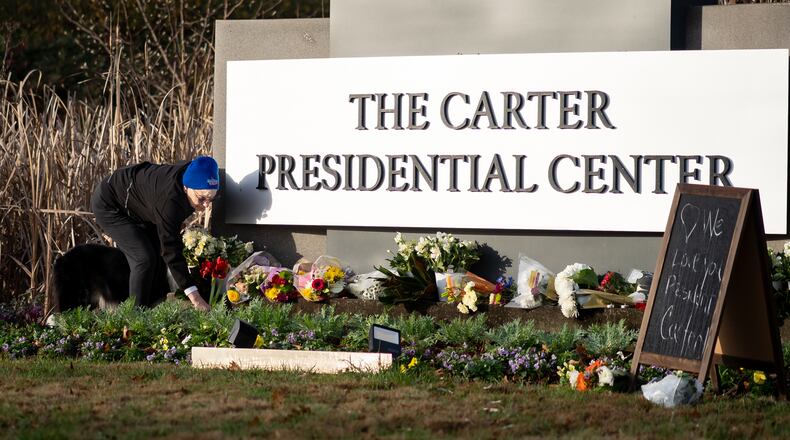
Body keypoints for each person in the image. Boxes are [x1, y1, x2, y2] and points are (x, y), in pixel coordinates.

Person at [90, 156, 219, 311]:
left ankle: (155, 309)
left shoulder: (196, 178)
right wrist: (195, 297)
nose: (206, 205)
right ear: (186, 187)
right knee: (144, 258)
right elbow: (171, 250)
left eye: (211, 198)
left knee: (158, 256)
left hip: (142, 205)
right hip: (110, 204)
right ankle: (135, 318)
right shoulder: (170, 203)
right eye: (202, 198)